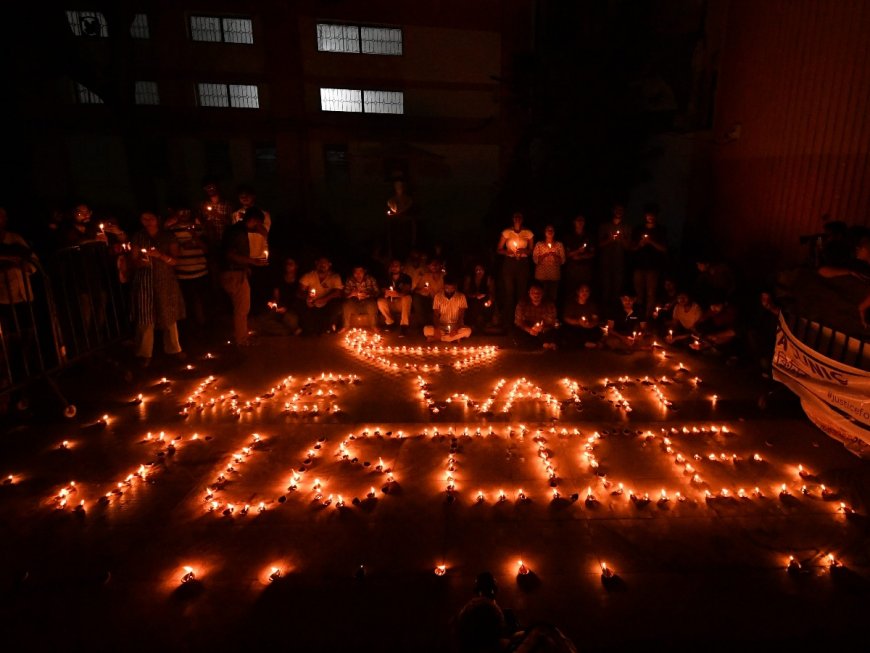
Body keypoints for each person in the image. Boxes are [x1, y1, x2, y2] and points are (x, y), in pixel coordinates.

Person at [129, 211, 185, 366]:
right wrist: (141, 263)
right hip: (144, 282)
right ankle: (144, 353)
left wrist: (160, 256)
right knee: (145, 316)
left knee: (168, 313)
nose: (147, 221)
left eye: (150, 218)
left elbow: (176, 261)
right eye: (143, 218)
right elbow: (133, 261)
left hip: (165, 281)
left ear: (158, 219)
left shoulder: (168, 236)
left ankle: (174, 349)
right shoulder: (138, 237)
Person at [219, 207, 268, 346]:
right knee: (242, 308)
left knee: (240, 307)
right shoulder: (239, 233)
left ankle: (242, 335)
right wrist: (253, 262)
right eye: (258, 224)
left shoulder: (236, 230)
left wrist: (246, 267)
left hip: (235, 271)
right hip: (234, 273)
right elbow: (231, 254)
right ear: (254, 221)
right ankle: (241, 339)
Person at [165, 206, 209, 336]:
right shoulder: (172, 230)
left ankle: (203, 327)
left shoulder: (198, 227)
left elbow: (206, 249)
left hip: (200, 270)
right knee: (187, 301)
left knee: (201, 300)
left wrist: (195, 237)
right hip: (182, 272)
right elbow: (170, 249)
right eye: (181, 211)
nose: (184, 214)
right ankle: (190, 328)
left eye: (187, 211)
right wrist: (182, 246)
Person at [231, 185, 272, 314]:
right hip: (244, 258)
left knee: (261, 287)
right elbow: (235, 234)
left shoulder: (263, 214)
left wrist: (252, 221)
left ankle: (263, 314)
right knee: (246, 292)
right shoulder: (235, 215)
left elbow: (265, 233)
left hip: (260, 256)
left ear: (253, 197)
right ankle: (250, 317)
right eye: (241, 195)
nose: (244, 198)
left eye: (247, 195)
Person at [497, 211, 533, 330]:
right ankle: (508, 322)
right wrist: (509, 252)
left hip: (523, 263)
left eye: (519, 217)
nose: (517, 219)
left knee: (522, 292)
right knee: (509, 292)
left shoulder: (528, 233)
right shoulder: (507, 232)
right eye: (515, 217)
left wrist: (524, 251)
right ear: (513, 219)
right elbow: (499, 249)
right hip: (509, 263)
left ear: (522, 219)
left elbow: (531, 250)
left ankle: (521, 322)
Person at [631, 207, 668, 320]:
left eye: (652, 215)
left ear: (656, 216)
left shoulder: (660, 230)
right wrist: (640, 244)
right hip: (639, 266)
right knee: (638, 294)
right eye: (648, 215)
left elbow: (664, 249)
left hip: (653, 266)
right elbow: (632, 248)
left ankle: (647, 319)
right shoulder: (638, 229)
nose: (650, 217)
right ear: (645, 216)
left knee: (651, 294)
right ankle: (638, 317)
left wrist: (650, 242)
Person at [256, 257, 303, 336]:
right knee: (262, 320)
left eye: (291, 264)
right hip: (279, 307)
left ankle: (287, 330)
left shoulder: (300, 281)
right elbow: (276, 296)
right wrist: (274, 303)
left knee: (291, 320)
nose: (288, 266)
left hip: (292, 310)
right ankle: (286, 331)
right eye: (287, 264)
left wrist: (286, 308)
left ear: (296, 266)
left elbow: (298, 298)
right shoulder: (279, 279)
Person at [597, 203, 630, 310]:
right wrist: (609, 240)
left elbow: (628, 247)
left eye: (621, 209)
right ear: (613, 210)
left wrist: (621, 239)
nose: (619, 211)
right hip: (606, 262)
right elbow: (599, 244)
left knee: (617, 289)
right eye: (617, 209)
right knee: (605, 288)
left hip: (619, 263)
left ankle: (615, 313)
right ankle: (604, 312)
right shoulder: (605, 226)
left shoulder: (626, 227)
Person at [299, 256, 343, 335]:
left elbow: (338, 292)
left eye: (325, 263)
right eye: (320, 262)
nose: (322, 264)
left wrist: (324, 299)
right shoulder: (309, 276)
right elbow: (300, 291)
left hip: (327, 304)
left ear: (329, 264)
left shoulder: (335, 276)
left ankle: (329, 327)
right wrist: (307, 298)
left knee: (337, 306)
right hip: (312, 303)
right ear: (316, 263)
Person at [424, 277, 471, 342]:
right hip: (442, 326)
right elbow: (435, 315)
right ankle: (453, 338)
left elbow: (461, 316)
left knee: (467, 331)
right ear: (443, 287)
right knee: (426, 330)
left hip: (456, 325)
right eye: (447, 288)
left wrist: (455, 329)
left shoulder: (461, 297)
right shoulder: (438, 296)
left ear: (455, 287)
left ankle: (440, 338)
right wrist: (437, 329)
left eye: (452, 288)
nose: (449, 291)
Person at [513, 283, 558, 350]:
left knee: (555, 332)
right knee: (517, 335)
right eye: (533, 292)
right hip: (527, 329)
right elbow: (518, 321)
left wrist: (542, 328)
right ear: (529, 293)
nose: (536, 294)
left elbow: (552, 321)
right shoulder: (522, 303)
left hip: (543, 330)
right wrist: (529, 329)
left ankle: (540, 343)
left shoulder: (549, 304)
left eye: (538, 292)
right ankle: (543, 344)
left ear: (543, 293)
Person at [377, 258, 413, 336]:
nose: (394, 267)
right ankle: (390, 322)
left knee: (407, 298)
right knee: (380, 301)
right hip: (390, 303)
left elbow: (406, 292)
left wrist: (397, 294)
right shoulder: (386, 278)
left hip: (400, 304)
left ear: (401, 267)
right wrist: (386, 293)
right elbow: (382, 290)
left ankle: (404, 325)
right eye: (392, 266)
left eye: (397, 266)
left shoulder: (406, 278)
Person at [563, 214, 595, 297]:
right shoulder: (569, 237)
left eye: (582, 220)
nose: (580, 222)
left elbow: (592, 253)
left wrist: (581, 256)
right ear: (574, 222)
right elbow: (566, 254)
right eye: (578, 220)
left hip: (585, 270)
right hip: (572, 270)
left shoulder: (589, 237)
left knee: (584, 291)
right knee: (571, 291)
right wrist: (578, 251)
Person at [532, 224, 565, 304]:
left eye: (552, 230)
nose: (550, 231)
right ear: (544, 232)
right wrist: (544, 255)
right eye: (548, 230)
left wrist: (554, 255)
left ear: (554, 232)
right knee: (540, 298)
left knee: (552, 298)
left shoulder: (559, 245)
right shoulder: (539, 244)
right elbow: (535, 260)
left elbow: (563, 260)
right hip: (541, 276)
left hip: (554, 276)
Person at [561, 283, 601, 349]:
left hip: (587, 328)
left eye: (587, 291)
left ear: (589, 293)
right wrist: (578, 322)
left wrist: (590, 324)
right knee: (566, 333)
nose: (584, 293)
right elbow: (566, 318)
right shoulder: (571, 304)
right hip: (574, 328)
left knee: (598, 331)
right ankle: (585, 344)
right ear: (578, 292)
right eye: (582, 291)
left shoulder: (592, 305)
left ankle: (582, 343)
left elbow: (595, 319)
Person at [341, 264, 379, 331]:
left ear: (364, 272)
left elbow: (377, 292)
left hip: (368, 300)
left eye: (360, 272)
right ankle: (345, 326)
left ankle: (373, 325)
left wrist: (368, 295)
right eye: (356, 272)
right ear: (353, 273)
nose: (358, 274)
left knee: (372, 304)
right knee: (346, 305)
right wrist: (351, 294)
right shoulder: (350, 280)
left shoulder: (370, 279)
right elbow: (344, 295)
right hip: (354, 301)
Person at [463, 262, 497, 332]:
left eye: (480, 270)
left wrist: (490, 300)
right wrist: (474, 295)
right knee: (473, 305)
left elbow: (492, 292)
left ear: (484, 270)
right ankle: (472, 324)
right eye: (477, 270)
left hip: (485, 299)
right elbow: (465, 291)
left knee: (487, 305)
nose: (478, 272)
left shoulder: (488, 279)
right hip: (471, 299)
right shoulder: (469, 278)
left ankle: (486, 323)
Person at [412, 257, 445, 327]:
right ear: (428, 266)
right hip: (429, 301)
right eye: (432, 264)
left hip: (443, 302)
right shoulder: (426, 276)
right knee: (416, 299)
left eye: (436, 264)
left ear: (440, 265)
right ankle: (424, 325)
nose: (434, 266)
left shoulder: (445, 276)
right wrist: (421, 291)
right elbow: (416, 290)